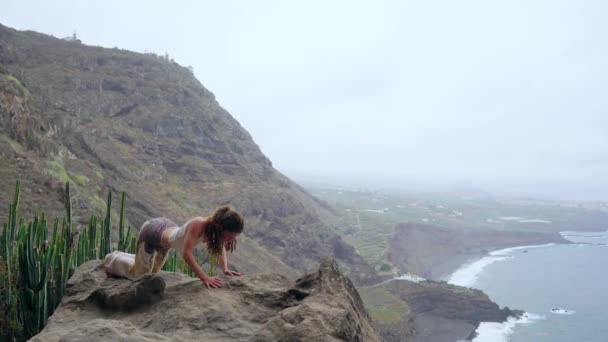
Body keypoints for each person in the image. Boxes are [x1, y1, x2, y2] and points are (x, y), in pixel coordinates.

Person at [106, 206, 244, 288]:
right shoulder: (199, 224)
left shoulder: (215, 230)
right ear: (221, 227)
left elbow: (220, 248)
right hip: (152, 232)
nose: (231, 240)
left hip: (167, 236)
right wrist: (204, 277)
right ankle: (112, 259)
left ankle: (135, 258)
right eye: (230, 236)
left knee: (152, 274)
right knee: (140, 276)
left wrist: (225, 269)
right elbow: (186, 253)